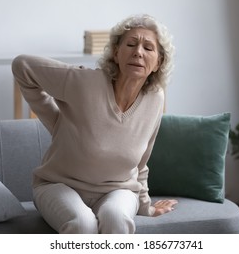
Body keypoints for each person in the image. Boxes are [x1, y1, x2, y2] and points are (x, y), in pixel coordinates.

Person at [12, 14, 177, 234]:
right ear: (116, 53)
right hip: (59, 185)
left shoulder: (155, 98)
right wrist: (57, 124)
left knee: (116, 218)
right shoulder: (85, 83)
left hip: (118, 190)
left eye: (148, 48)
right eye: (131, 44)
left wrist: (146, 207)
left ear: (158, 63)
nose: (138, 51)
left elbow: (142, 160)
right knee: (83, 224)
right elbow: (22, 66)